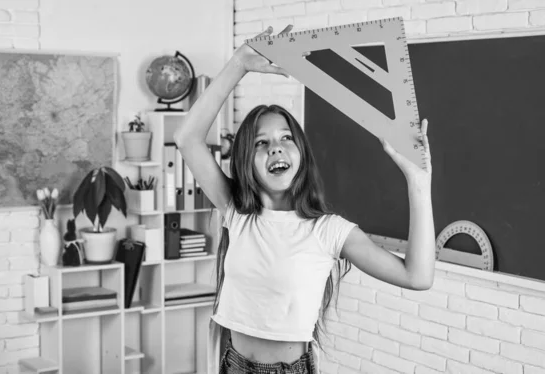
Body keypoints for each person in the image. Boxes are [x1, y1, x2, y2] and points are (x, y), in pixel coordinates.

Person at [173, 24, 435, 374]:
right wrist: (240, 63)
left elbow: (417, 277)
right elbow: (187, 138)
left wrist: (418, 183)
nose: (275, 147)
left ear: (301, 153)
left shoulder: (328, 231)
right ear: (246, 160)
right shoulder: (237, 211)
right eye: (261, 143)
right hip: (232, 364)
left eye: (285, 138)